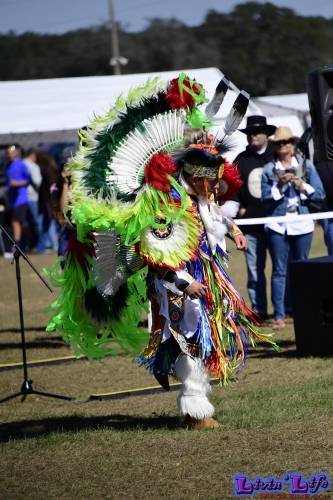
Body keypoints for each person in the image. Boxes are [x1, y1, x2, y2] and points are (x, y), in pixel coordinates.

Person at [48, 74, 277, 429]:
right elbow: (155, 252)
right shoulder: (165, 202)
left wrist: (233, 231)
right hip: (177, 284)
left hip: (208, 276)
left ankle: (195, 406)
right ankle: (196, 409)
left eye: (215, 182)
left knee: (204, 336)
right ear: (193, 175)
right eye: (208, 181)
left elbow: (210, 215)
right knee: (187, 336)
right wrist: (185, 284)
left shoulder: (198, 197)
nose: (213, 187)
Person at [261, 126, 325, 329]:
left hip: (302, 224)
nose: (283, 146)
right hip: (278, 225)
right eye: (279, 143)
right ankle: (279, 315)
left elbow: (320, 195)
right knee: (279, 271)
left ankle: (303, 311)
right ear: (275, 146)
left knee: (302, 269)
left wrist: (301, 185)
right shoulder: (269, 169)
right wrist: (279, 185)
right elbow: (265, 199)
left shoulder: (306, 166)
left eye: (287, 142)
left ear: (293, 144)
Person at [234, 115, 277, 320]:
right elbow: (230, 188)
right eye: (250, 133)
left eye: (257, 132)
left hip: (278, 224)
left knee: (281, 270)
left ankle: (285, 310)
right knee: (254, 271)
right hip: (251, 227)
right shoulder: (241, 160)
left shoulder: (277, 154)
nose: (252, 136)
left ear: (267, 134)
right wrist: (239, 208)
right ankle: (259, 311)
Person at [5, 145, 31, 251]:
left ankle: (17, 245)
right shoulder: (8, 166)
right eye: (8, 153)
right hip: (12, 200)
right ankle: (24, 244)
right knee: (19, 223)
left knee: (16, 221)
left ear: (15, 153)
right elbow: (8, 183)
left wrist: (17, 183)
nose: (9, 155)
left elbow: (28, 180)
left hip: (21, 199)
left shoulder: (21, 165)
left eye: (11, 152)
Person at [23, 148, 42, 250]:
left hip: (21, 197)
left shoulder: (20, 164)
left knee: (25, 224)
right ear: (32, 155)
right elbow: (37, 181)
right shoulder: (33, 166)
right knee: (36, 222)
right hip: (32, 196)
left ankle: (26, 245)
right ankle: (38, 246)